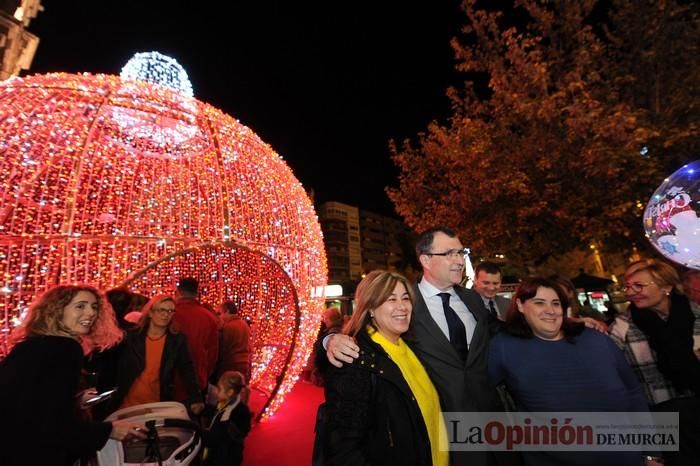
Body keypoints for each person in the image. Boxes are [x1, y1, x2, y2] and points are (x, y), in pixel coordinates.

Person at [326, 226, 510, 466]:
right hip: (439, 429)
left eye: (461, 252)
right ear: (425, 259)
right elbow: (364, 335)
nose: (459, 260)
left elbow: (500, 331)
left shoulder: (472, 299)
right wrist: (329, 340)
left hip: (489, 418)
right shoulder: (406, 301)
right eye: (449, 254)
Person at [489, 277, 649, 466]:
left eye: (556, 303)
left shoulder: (596, 339)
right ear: (521, 306)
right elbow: (477, 393)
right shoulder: (504, 346)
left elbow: (634, 393)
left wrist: (651, 453)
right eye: (539, 303)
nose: (550, 310)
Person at [0, 285, 144, 466]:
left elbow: (31, 402)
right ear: (57, 310)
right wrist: (109, 430)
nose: (91, 313)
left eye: (94, 306)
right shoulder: (66, 348)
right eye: (80, 306)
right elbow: (53, 424)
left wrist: (74, 400)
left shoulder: (31, 344)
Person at [316, 270, 449, 466]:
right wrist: (326, 342)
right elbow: (345, 448)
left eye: (405, 298)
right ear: (370, 308)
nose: (402, 306)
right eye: (390, 299)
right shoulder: (356, 358)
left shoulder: (413, 347)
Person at [608, 259, 700, 465]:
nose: (630, 292)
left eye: (638, 286)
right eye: (628, 287)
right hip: (660, 419)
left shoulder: (696, 315)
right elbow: (613, 379)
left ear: (666, 287)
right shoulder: (623, 326)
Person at [113, 294, 204, 414]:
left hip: (157, 404)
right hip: (127, 404)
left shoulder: (176, 340)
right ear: (150, 313)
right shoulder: (131, 337)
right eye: (161, 310)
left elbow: (187, 369)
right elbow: (113, 365)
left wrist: (196, 397)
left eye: (170, 311)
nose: (165, 315)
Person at [172, 277, 220, 393]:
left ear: (177, 292)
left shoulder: (168, 314)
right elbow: (212, 355)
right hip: (197, 380)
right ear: (197, 293)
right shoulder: (209, 318)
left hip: (170, 381)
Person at [203, 370, 252, 466]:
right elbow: (216, 412)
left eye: (219, 389)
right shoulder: (228, 404)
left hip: (224, 459)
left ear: (230, 392)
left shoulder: (231, 415)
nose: (216, 391)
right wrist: (203, 408)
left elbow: (214, 438)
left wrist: (199, 432)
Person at [218, 301, 251, 381]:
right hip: (244, 363)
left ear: (227, 311)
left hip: (231, 364)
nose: (220, 317)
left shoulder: (228, 327)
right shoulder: (244, 325)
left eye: (221, 313)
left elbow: (223, 348)